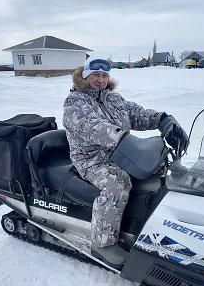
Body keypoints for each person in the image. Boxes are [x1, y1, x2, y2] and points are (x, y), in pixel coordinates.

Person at [63, 56, 188, 269]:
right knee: (117, 183)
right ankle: (102, 243)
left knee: (160, 168)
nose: (100, 80)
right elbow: (95, 128)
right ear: (85, 76)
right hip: (92, 159)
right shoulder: (75, 102)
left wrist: (163, 119)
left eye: (104, 75)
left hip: (120, 152)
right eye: (95, 75)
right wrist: (125, 141)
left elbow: (136, 114)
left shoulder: (113, 99)